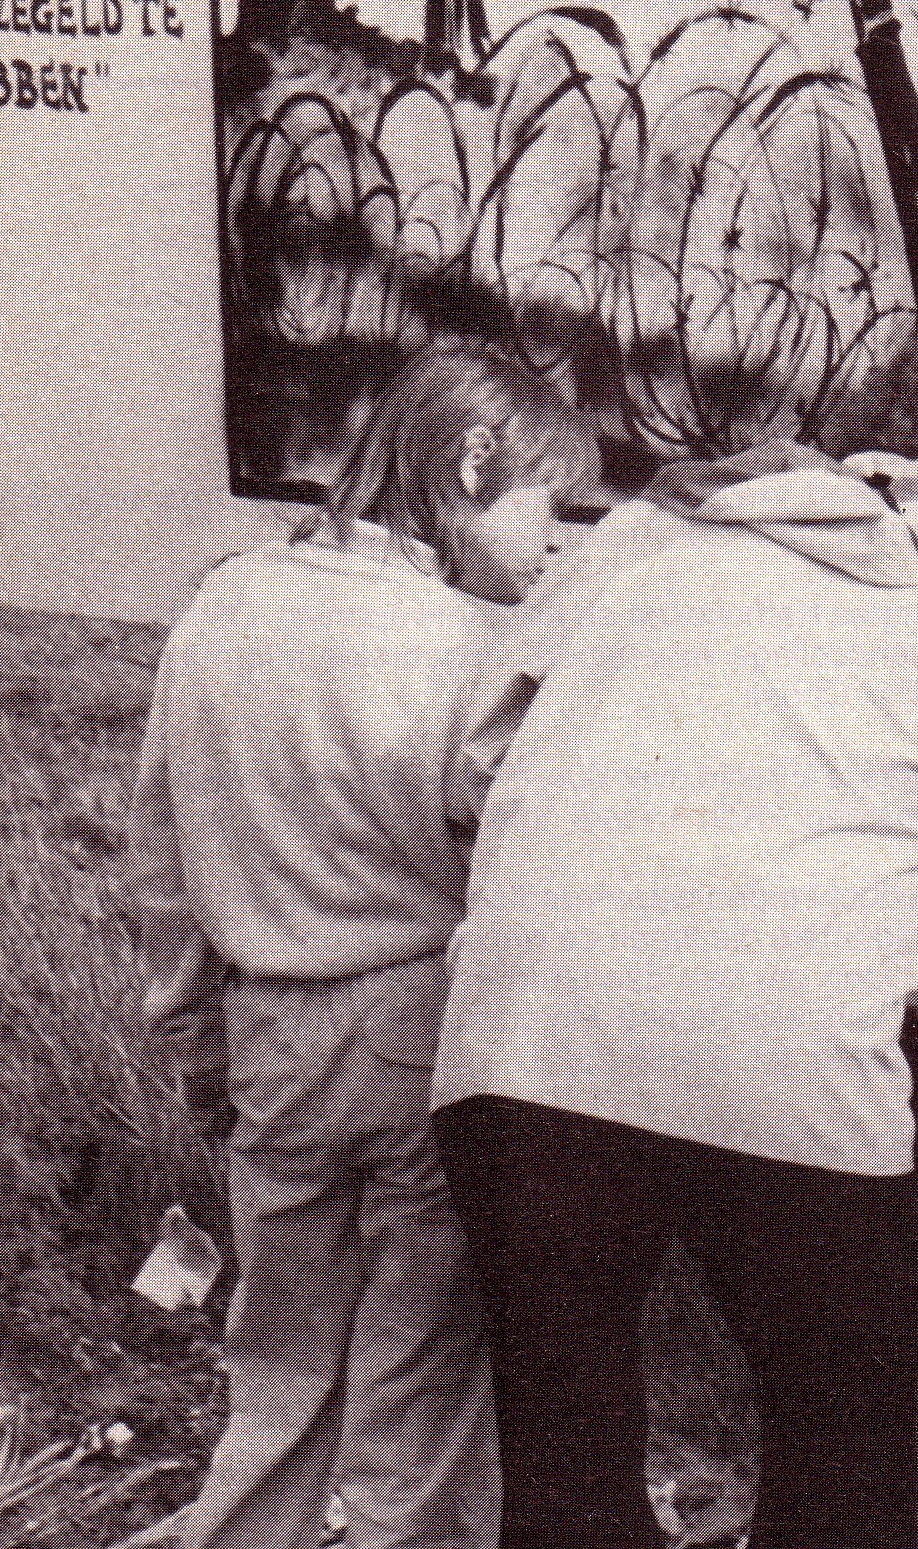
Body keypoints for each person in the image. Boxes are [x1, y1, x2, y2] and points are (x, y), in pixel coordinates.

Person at [430, 318, 918, 1549]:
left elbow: (474, 765)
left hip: (520, 1046)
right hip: (790, 1067)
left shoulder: (648, 529)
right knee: (841, 1466)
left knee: (565, 1471)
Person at [127, 341, 599, 1549]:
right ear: (472, 460)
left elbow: (164, 864)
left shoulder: (222, 601)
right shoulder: (473, 648)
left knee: (276, 1376)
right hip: (423, 1033)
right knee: (422, 1401)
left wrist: (195, 1043)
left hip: (266, 1027)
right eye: (549, 496)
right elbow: (519, 873)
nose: (559, 538)